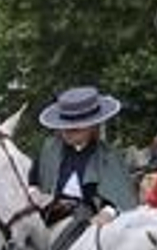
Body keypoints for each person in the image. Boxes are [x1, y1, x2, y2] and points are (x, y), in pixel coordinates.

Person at [27, 85, 138, 220]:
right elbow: (33, 178)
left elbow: (121, 197)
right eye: (64, 128)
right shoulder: (50, 148)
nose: (67, 133)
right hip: (49, 214)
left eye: (75, 129)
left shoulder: (108, 157)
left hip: (88, 220)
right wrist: (34, 191)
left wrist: (108, 213)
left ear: (92, 127)